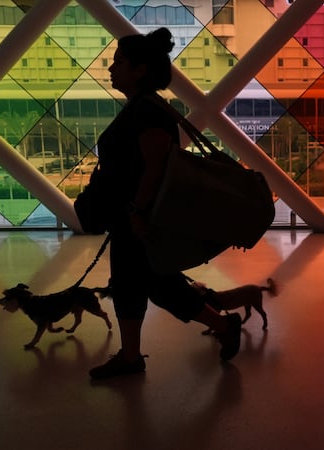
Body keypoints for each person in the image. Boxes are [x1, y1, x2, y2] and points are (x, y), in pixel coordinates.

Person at [86, 28, 244, 380]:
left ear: (139, 69)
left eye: (118, 62)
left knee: (153, 283)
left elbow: (156, 164)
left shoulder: (146, 111)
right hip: (134, 216)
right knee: (143, 283)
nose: (111, 69)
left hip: (140, 217)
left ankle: (217, 327)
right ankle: (136, 354)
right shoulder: (145, 108)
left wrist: (138, 211)